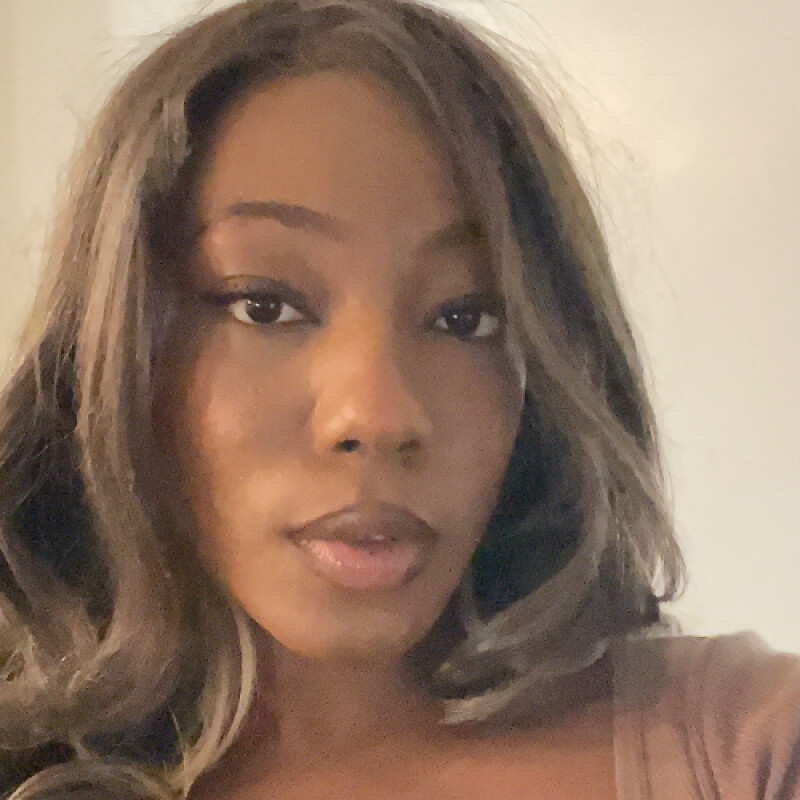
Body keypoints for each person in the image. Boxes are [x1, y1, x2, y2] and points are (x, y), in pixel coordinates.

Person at [0, 1, 798, 798]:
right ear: (111, 351)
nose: (377, 416)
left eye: (465, 317)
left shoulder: (740, 744)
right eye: (264, 306)